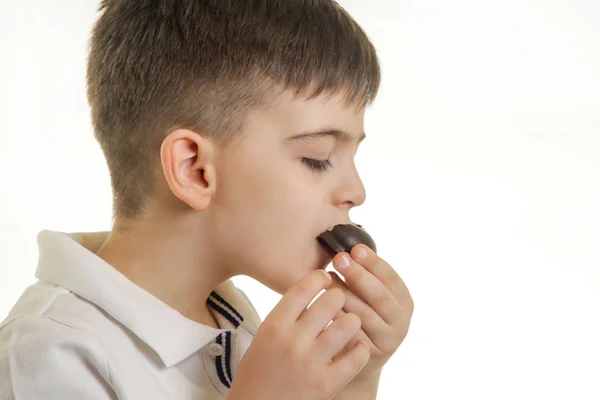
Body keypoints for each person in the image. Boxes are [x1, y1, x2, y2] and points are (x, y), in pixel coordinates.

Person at [0, 0, 414, 399]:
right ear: (195, 169)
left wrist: (355, 379)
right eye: (318, 158)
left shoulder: (234, 320)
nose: (356, 192)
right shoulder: (46, 356)